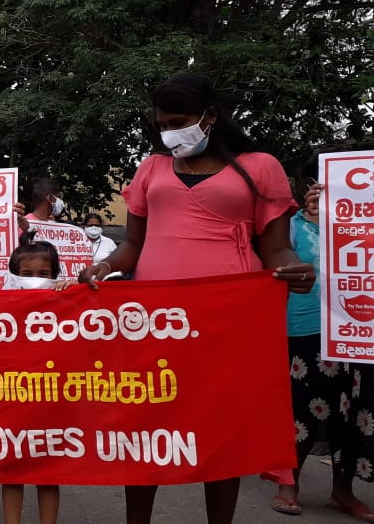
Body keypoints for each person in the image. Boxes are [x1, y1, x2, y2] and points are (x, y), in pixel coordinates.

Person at [77, 73, 314, 524]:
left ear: (211, 115)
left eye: (179, 121)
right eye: (162, 124)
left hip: (230, 320)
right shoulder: (151, 167)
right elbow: (132, 245)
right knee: (145, 426)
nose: (169, 132)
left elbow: (277, 248)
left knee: (219, 429)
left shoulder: (259, 165)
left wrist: (295, 270)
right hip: (155, 318)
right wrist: (105, 267)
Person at [266, 158, 374, 521]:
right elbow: (275, 271)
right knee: (304, 409)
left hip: (358, 331)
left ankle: (343, 492)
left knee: (352, 414)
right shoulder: (291, 229)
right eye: (318, 181)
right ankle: (289, 484)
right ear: (305, 185)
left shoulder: (365, 225)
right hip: (306, 330)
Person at [0, 232, 70, 524]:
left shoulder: (64, 301)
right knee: (12, 470)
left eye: (44, 274)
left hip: (49, 401)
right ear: (13, 276)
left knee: (48, 472)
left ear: (56, 275)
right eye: (26, 274)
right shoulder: (2, 304)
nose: (34, 279)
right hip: (12, 399)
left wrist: (71, 293)